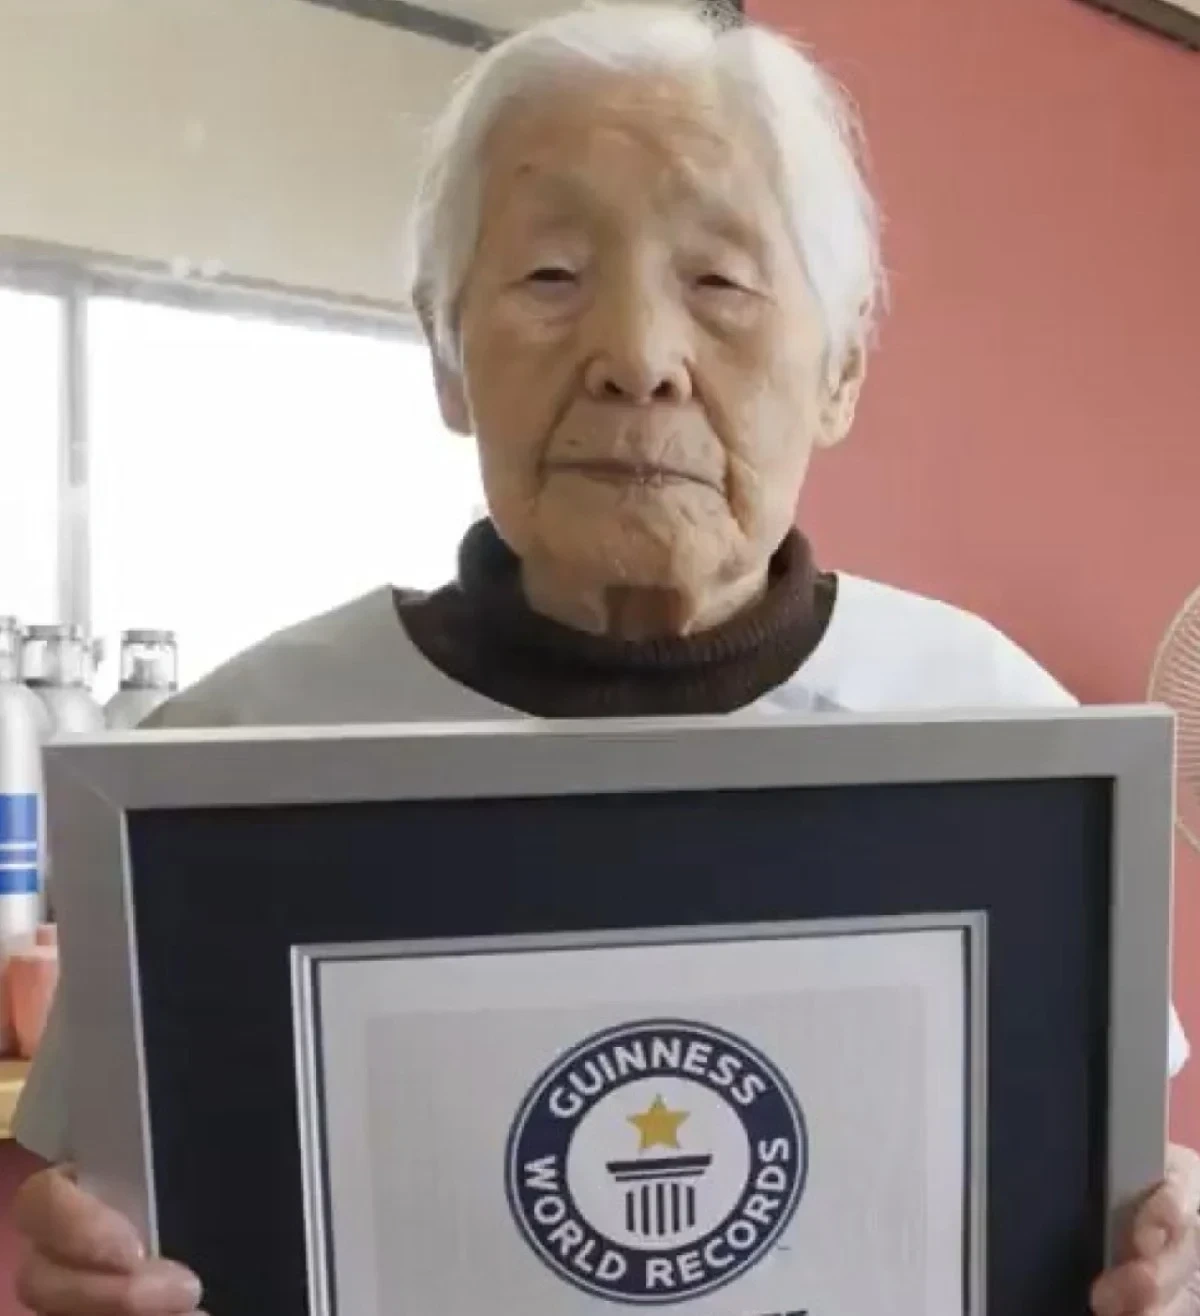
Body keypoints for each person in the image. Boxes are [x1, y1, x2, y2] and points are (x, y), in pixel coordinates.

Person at [11, 5, 1198, 1314]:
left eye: (721, 282)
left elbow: (1094, 1178)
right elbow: (83, 1199)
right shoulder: (221, 768)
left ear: (843, 368)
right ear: (446, 353)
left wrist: (1163, 1247)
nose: (636, 358)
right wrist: (79, 1267)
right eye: (550, 276)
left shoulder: (1003, 744)